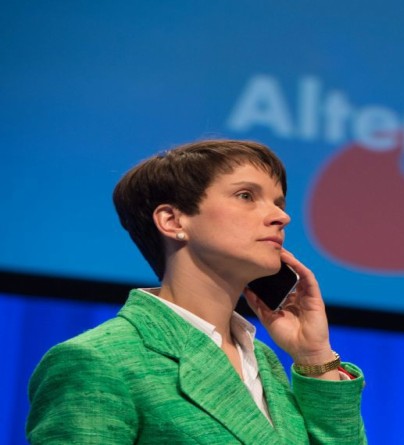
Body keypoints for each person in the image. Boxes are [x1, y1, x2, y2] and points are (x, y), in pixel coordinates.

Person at [26, 139, 367, 444]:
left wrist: (314, 357)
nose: (281, 216)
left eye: (279, 202)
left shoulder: (263, 361)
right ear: (173, 222)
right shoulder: (97, 360)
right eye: (246, 196)